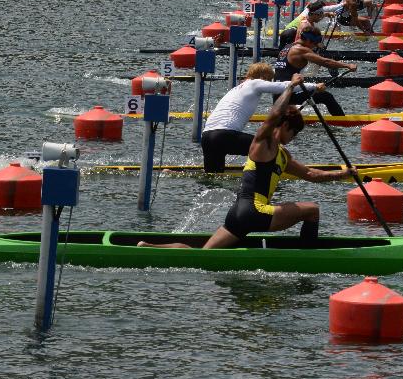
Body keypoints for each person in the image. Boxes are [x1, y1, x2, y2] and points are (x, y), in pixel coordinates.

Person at [139, 73, 356, 249]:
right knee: (312, 210)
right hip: (255, 211)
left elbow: (311, 175)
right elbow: (274, 113)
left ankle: (148, 247)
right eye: (294, 133)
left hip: (238, 213)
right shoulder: (264, 142)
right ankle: (308, 257)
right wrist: (291, 86)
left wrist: (345, 173)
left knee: (204, 253)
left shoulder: (282, 155)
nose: (294, 139)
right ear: (285, 127)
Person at [200, 62, 323, 172]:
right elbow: (284, 86)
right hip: (225, 135)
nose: (269, 83)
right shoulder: (255, 83)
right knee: (270, 148)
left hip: (206, 137)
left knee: (214, 177)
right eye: (269, 80)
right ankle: (268, 177)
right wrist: (314, 86)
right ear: (263, 77)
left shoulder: (234, 90)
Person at [273, 27, 356, 115]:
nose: (315, 46)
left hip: (278, 92)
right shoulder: (301, 50)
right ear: (308, 40)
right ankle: (342, 122)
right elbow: (326, 62)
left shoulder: (288, 47)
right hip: (288, 94)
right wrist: (347, 65)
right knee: (326, 97)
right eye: (315, 43)